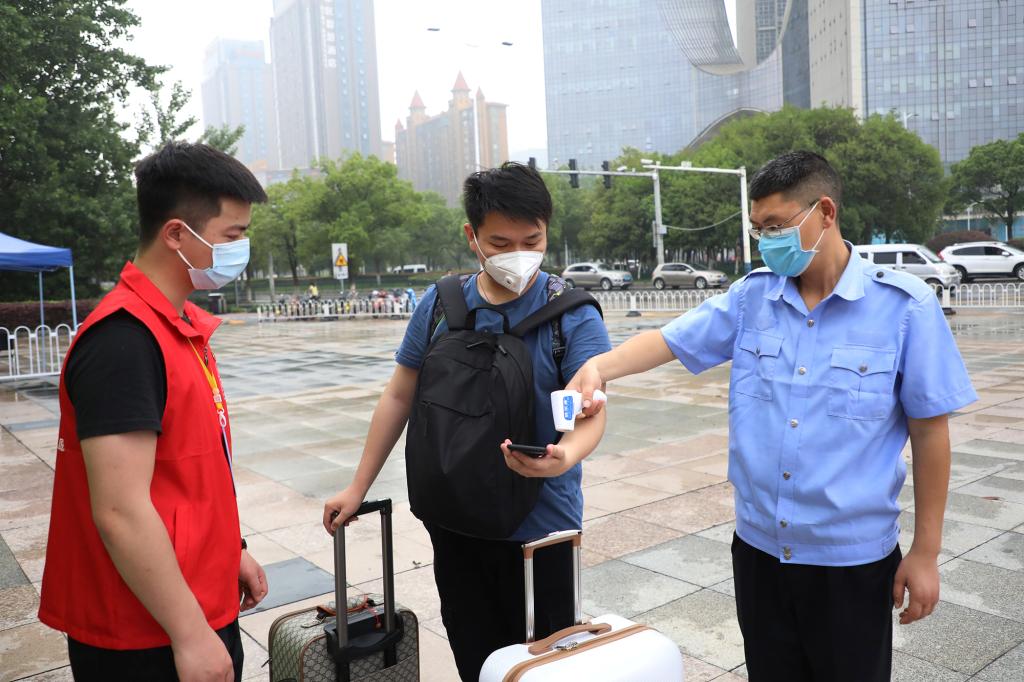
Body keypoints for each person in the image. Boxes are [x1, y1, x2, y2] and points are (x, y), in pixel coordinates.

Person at [567, 151, 976, 681]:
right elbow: (669, 341)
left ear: (825, 212)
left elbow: (930, 432)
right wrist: (598, 367)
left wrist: (925, 552)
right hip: (759, 552)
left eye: (777, 226)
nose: (766, 241)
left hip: (850, 561)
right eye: (758, 229)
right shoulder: (752, 298)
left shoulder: (904, 307)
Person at [323, 162, 611, 680]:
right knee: (475, 659)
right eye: (500, 242)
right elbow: (399, 395)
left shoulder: (571, 313)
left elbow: (593, 411)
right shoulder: (441, 303)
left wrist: (564, 455)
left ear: (547, 230)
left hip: (541, 530)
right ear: (471, 236)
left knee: (543, 668)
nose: (518, 254)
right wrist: (357, 486)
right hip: (455, 520)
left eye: (532, 240)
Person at [38, 142, 270, 682]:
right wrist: (190, 634)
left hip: (191, 599)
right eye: (232, 235)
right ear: (176, 234)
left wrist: (228, 551)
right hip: (146, 632)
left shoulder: (178, 328)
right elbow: (120, 509)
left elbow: (187, 472)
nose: (241, 249)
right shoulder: (124, 341)